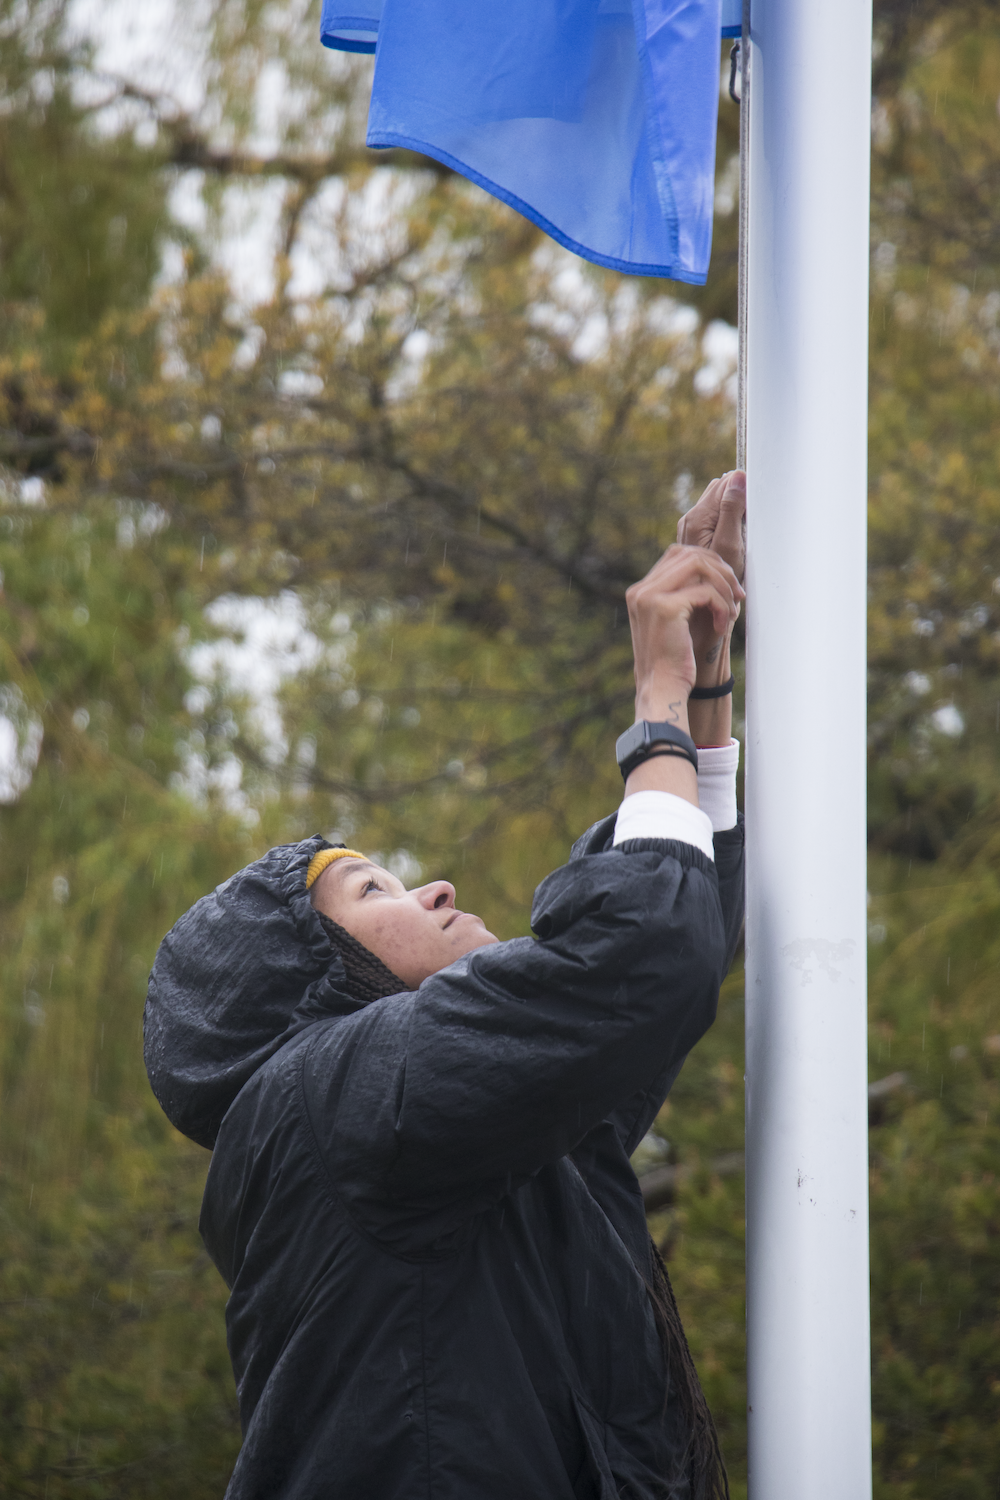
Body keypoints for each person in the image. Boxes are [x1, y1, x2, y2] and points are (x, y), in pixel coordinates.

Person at [144, 471, 748, 1500]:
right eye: (374, 888)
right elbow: (639, 957)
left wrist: (701, 699)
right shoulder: (329, 1096)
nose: (436, 888)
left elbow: (667, 944)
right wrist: (654, 708)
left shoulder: (459, 1132)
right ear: (308, 985)